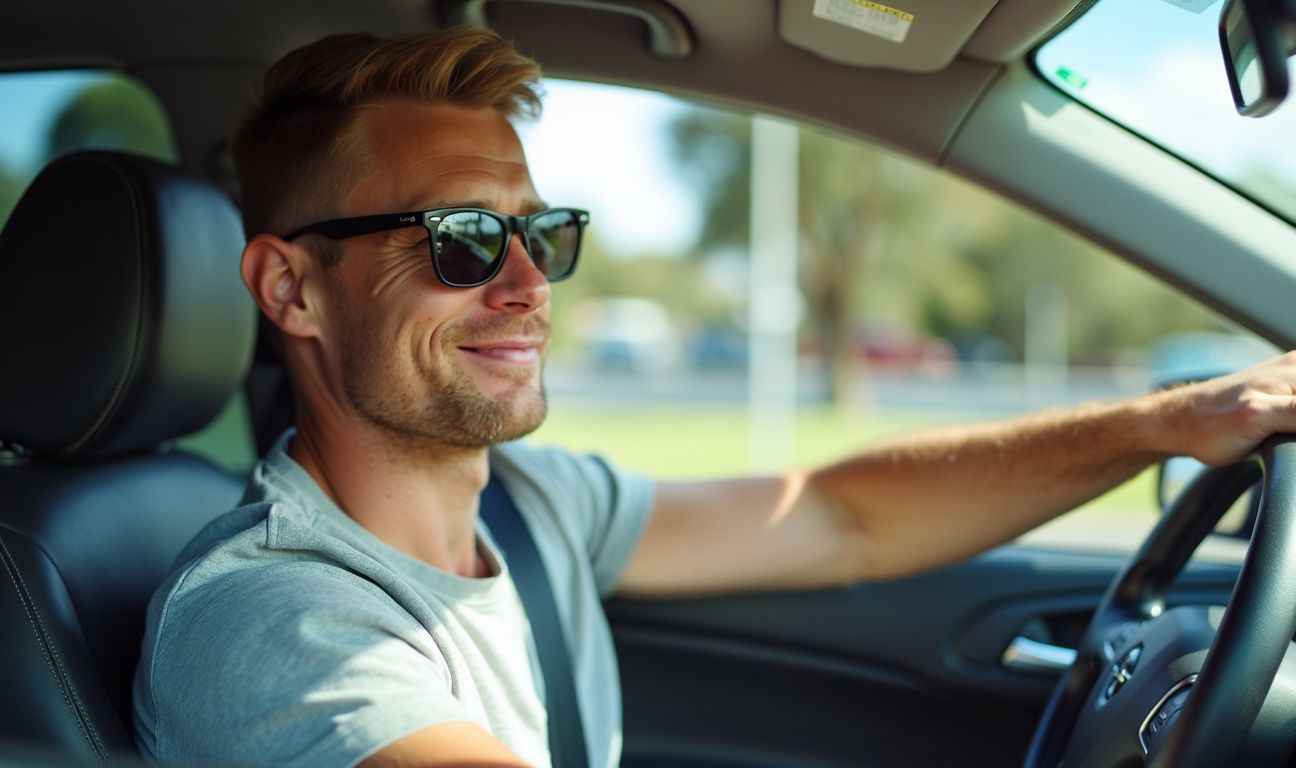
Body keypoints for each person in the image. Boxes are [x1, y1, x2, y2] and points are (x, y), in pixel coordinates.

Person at [132, 25, 1296, 768]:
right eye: (466, 239)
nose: (532, 283)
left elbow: (842, 515)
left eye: (543, 233)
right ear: (293, 288)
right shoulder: (273, 625)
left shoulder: (535, 509)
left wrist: (1172, 422)